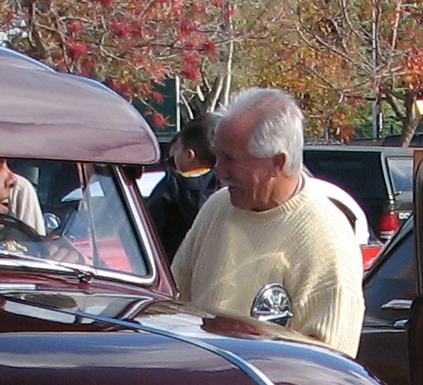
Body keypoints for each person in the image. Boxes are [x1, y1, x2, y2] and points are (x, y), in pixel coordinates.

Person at [171, 88, 363, 356]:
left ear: (277, 163)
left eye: (231, 159)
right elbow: (175, 301)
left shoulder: (326, 239)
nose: (219, 171)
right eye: (218, 155)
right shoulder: (217, 207)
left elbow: (328, 370)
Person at [146, 116, 218, 258]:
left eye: (178, 147)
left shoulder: (169, 187)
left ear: (189, 155)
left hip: (173, 264)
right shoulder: (224, 186)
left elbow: (149, 231)